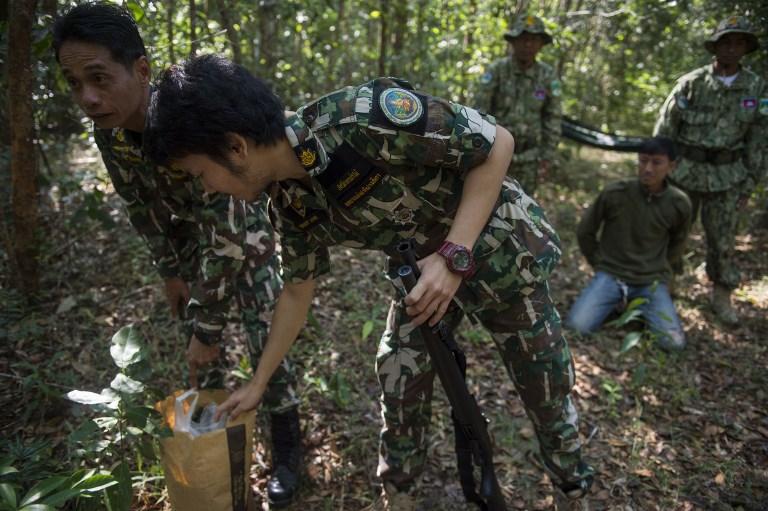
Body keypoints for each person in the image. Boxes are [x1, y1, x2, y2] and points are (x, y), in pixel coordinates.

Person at [142, 54, 595, 510]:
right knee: (399, 375)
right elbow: (297, 290)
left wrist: (453, 256)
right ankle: (399, 497)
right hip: (422, 280)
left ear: (235, 147)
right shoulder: (288, 200)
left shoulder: (364, 117)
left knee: (545, 389)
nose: (207, 189)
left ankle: (572, 492)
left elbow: (497, 144)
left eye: (200, 174)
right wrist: (258, 383)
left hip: (499, 255)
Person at [52, 4, 302, 506]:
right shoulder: (109, 131)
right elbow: (139, 205)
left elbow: (228, 235)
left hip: (240, 230)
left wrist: (207, 329)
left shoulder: (190, 112)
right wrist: (170, 271)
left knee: (262, 330)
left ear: (141, 69)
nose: (88, 97)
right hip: (188, 240)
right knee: (197, 346)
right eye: (74, 83)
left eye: (99, 78)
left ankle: (288, 445)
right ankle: (212, 441)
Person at [654, 15, 767, 325]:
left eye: (739, 43)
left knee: (723, 238)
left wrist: (750, 183)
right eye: (726, 42)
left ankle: (721, 293)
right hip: (685, 172)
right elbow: (665, 129)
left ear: (745, 49)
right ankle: (665, 284)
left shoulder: (756, 88)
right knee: (673, 230)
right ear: (715, 46)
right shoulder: (691, 83)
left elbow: (759, 140)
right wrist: (659, 170)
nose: (731, 48)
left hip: (728, 176)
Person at [566, 137, 691, 351]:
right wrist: (599, 263)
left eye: (656, 162)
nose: (648, 168)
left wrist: (660, 268)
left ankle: (634, 310)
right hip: (612, 275)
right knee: (577, 327)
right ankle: (619, 305)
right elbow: (585, 231)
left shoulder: (678, 203)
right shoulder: (616, 193)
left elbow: (678, 243)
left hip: (650, 281)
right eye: (643, 161)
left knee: (673, 344)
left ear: (672, 166)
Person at [475, 14, 562, 196]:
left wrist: (547, 156)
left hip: (530, 159)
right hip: (495, 155)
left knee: (523, 207)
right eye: (523, 39)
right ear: (513, 42)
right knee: (490, 202)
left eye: (533, 40)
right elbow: (480, 112)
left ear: (541, 44)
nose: (527, 45)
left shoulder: (547, 76)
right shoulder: (497, 71)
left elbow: (552, 118)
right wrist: (480, 150)